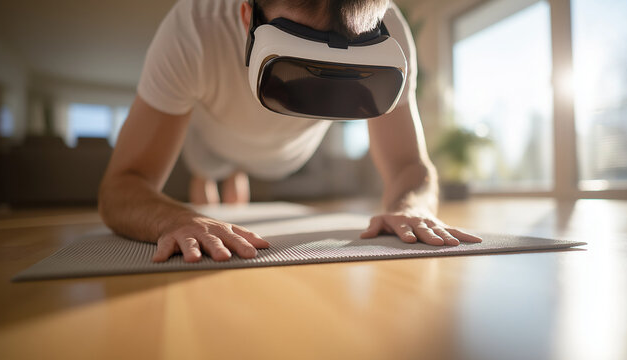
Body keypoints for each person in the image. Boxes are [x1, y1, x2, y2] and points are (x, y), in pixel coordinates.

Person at [98, 0, 482, 263]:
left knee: (237, 191)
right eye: (296, 67)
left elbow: (409, 165)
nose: (314, 83)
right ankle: (222, 176)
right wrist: (177, 220)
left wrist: (410, 205)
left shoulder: (391, 35)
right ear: (247, 16)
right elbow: (121, 186)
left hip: (291, 153)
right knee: (209, 180)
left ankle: (235, 176)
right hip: (212, 135)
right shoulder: (194, 29)